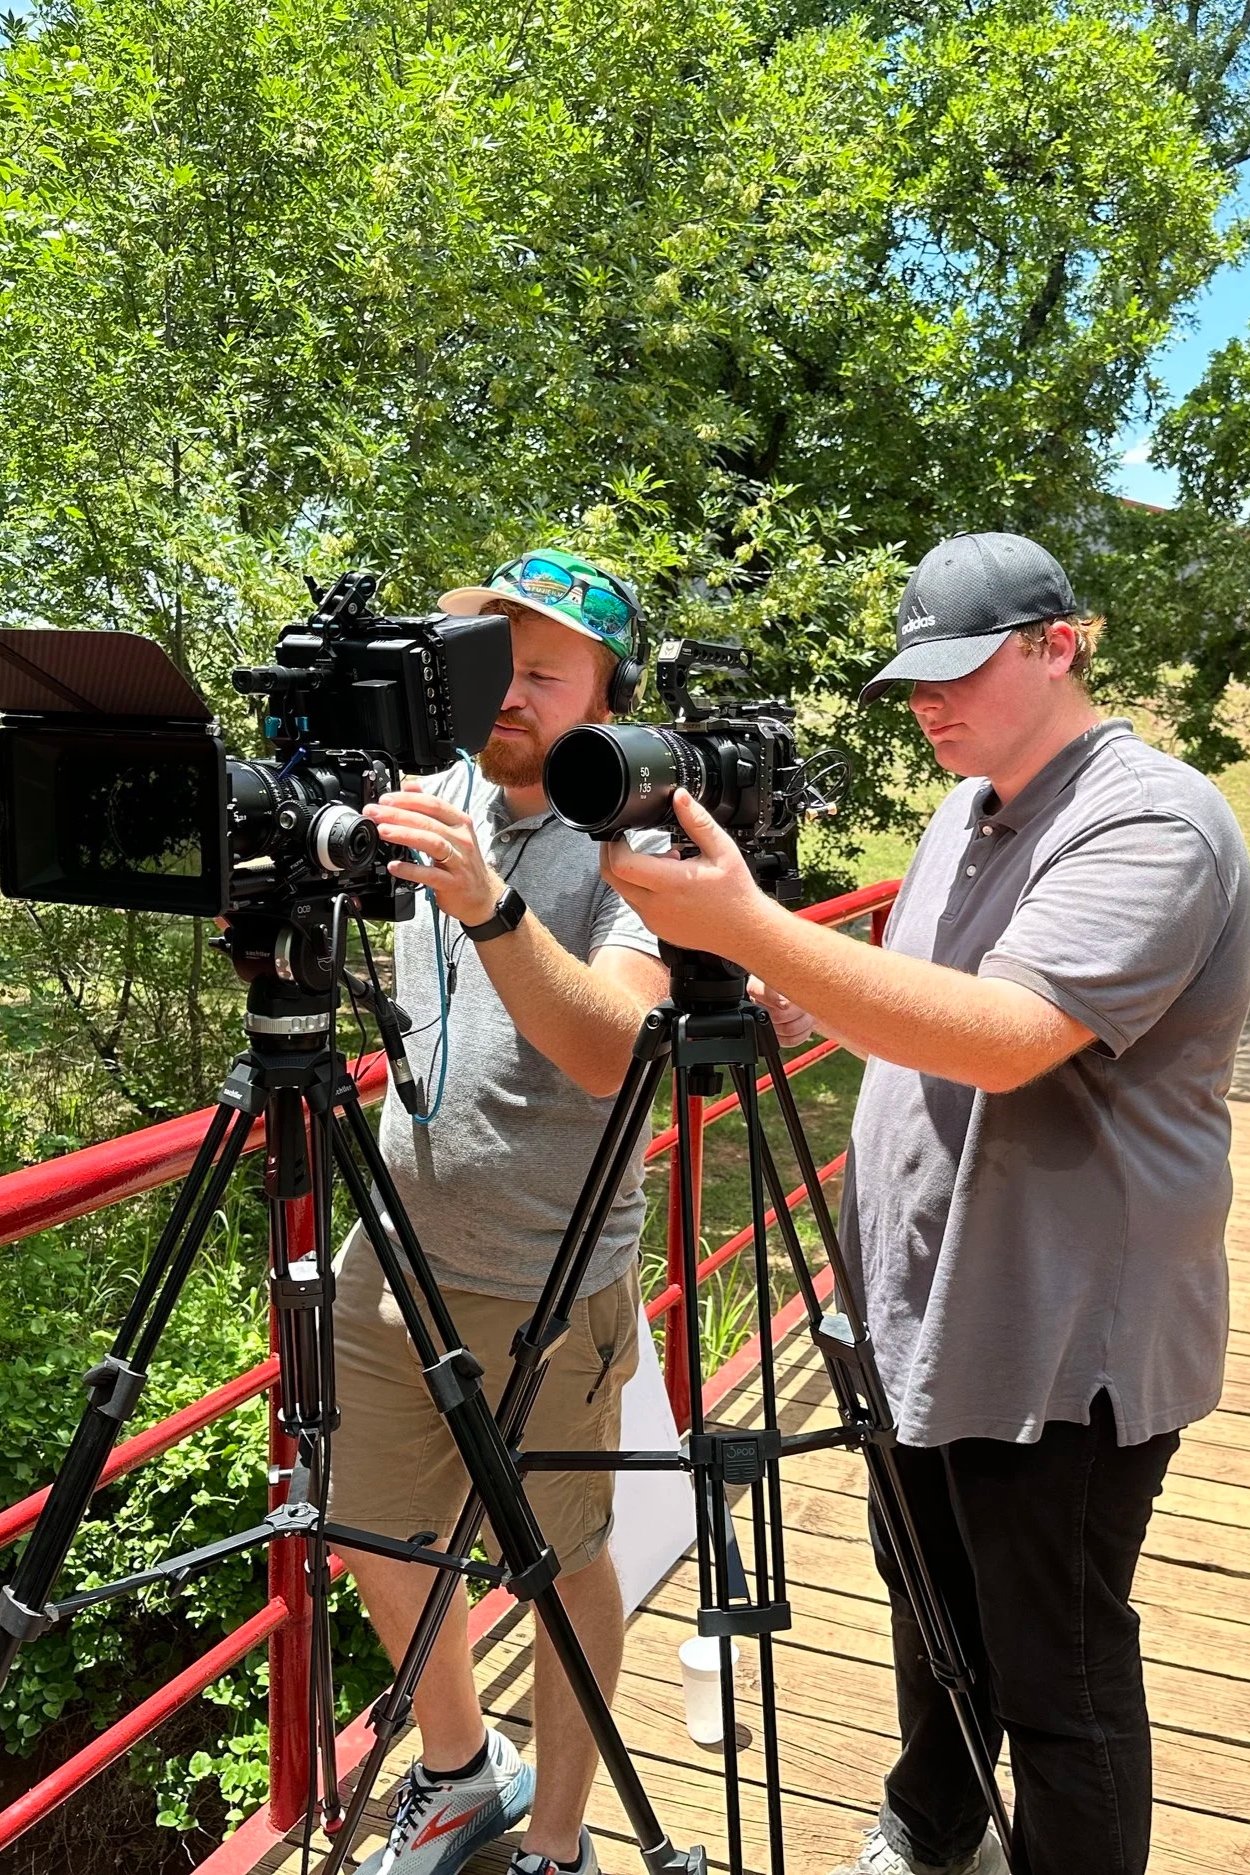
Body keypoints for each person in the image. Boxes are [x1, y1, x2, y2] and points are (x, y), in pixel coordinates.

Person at [600, 530, 1250, 1875]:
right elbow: (915, 995)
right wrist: (776, 982)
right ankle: (930, 1823)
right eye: (912, 680)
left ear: (1059, 644)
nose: (928, 705)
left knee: (1054, 1672)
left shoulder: (1151, 817)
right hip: (920, 1303)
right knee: (929, 1611)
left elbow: (1008, 1034)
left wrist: (749, 926)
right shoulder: (965, 803)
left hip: (1062, 1332)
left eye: (960, 671)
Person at [326, 548, 670, 1875]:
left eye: (543, 671)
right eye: (492, 665)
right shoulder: (435, 785)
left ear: (602, 691)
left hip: (549, 1276)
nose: (508, 695)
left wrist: (491, 904)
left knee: (563, 1560)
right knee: (370, 1522)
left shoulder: (635, 826)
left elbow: (612, 1052)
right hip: (392, 1252)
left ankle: (565, 1843)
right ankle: (463, 1769)